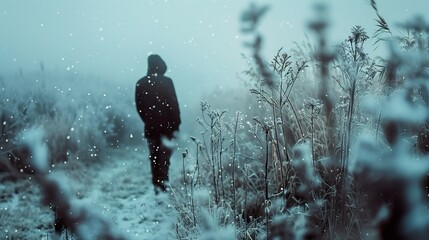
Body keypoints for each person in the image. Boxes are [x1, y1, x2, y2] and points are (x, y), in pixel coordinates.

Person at [135, 54, 181, 194]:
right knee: (164, 157)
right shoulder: (167, 82)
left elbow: (139, 107)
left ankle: (156, 184)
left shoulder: (141, 83)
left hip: (150, 127)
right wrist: (176, 123)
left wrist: (148, 120)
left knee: (153, 157)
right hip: (167, 127)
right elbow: (173, 104)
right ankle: (163, 183)